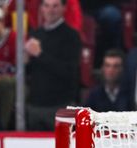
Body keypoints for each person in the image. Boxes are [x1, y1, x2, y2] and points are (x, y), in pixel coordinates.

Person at [25, 0, 81, 131]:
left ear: (64, 8)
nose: (51, 10)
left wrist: (40, 54)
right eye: (47, 6)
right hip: (36, 105)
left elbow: (69, 72)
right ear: (41, 9)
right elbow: (30, 71)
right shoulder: (35, 34)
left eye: (55, 6)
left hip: (60, 105)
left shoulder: (71, 36)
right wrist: (25, 61)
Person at [83, 49, 128, 113]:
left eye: (116, 66)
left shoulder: (129, 94)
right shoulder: (94, 94)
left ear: (122, 69)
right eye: (107, 65)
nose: (111, 70)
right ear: (102, 68)